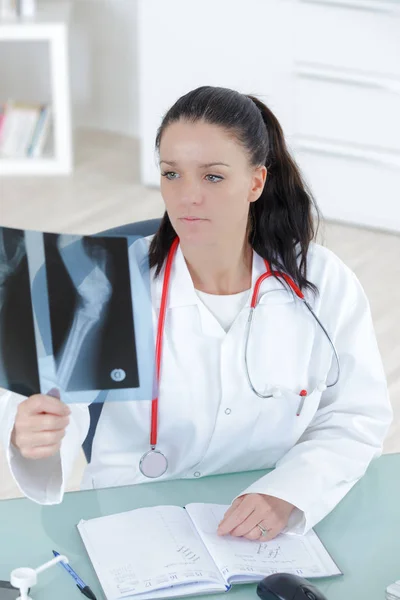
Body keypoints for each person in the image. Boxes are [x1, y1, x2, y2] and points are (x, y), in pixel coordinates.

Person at [0, 86, 392, 543]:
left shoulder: (324, 283)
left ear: (256, 182)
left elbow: (355, 415)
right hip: (128, 525)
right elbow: (52, 410)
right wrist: (33, 439)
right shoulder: (101, 280)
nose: (187, 197)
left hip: (262, 530)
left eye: (212, 177)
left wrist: (290, 494)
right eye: (172, 174)